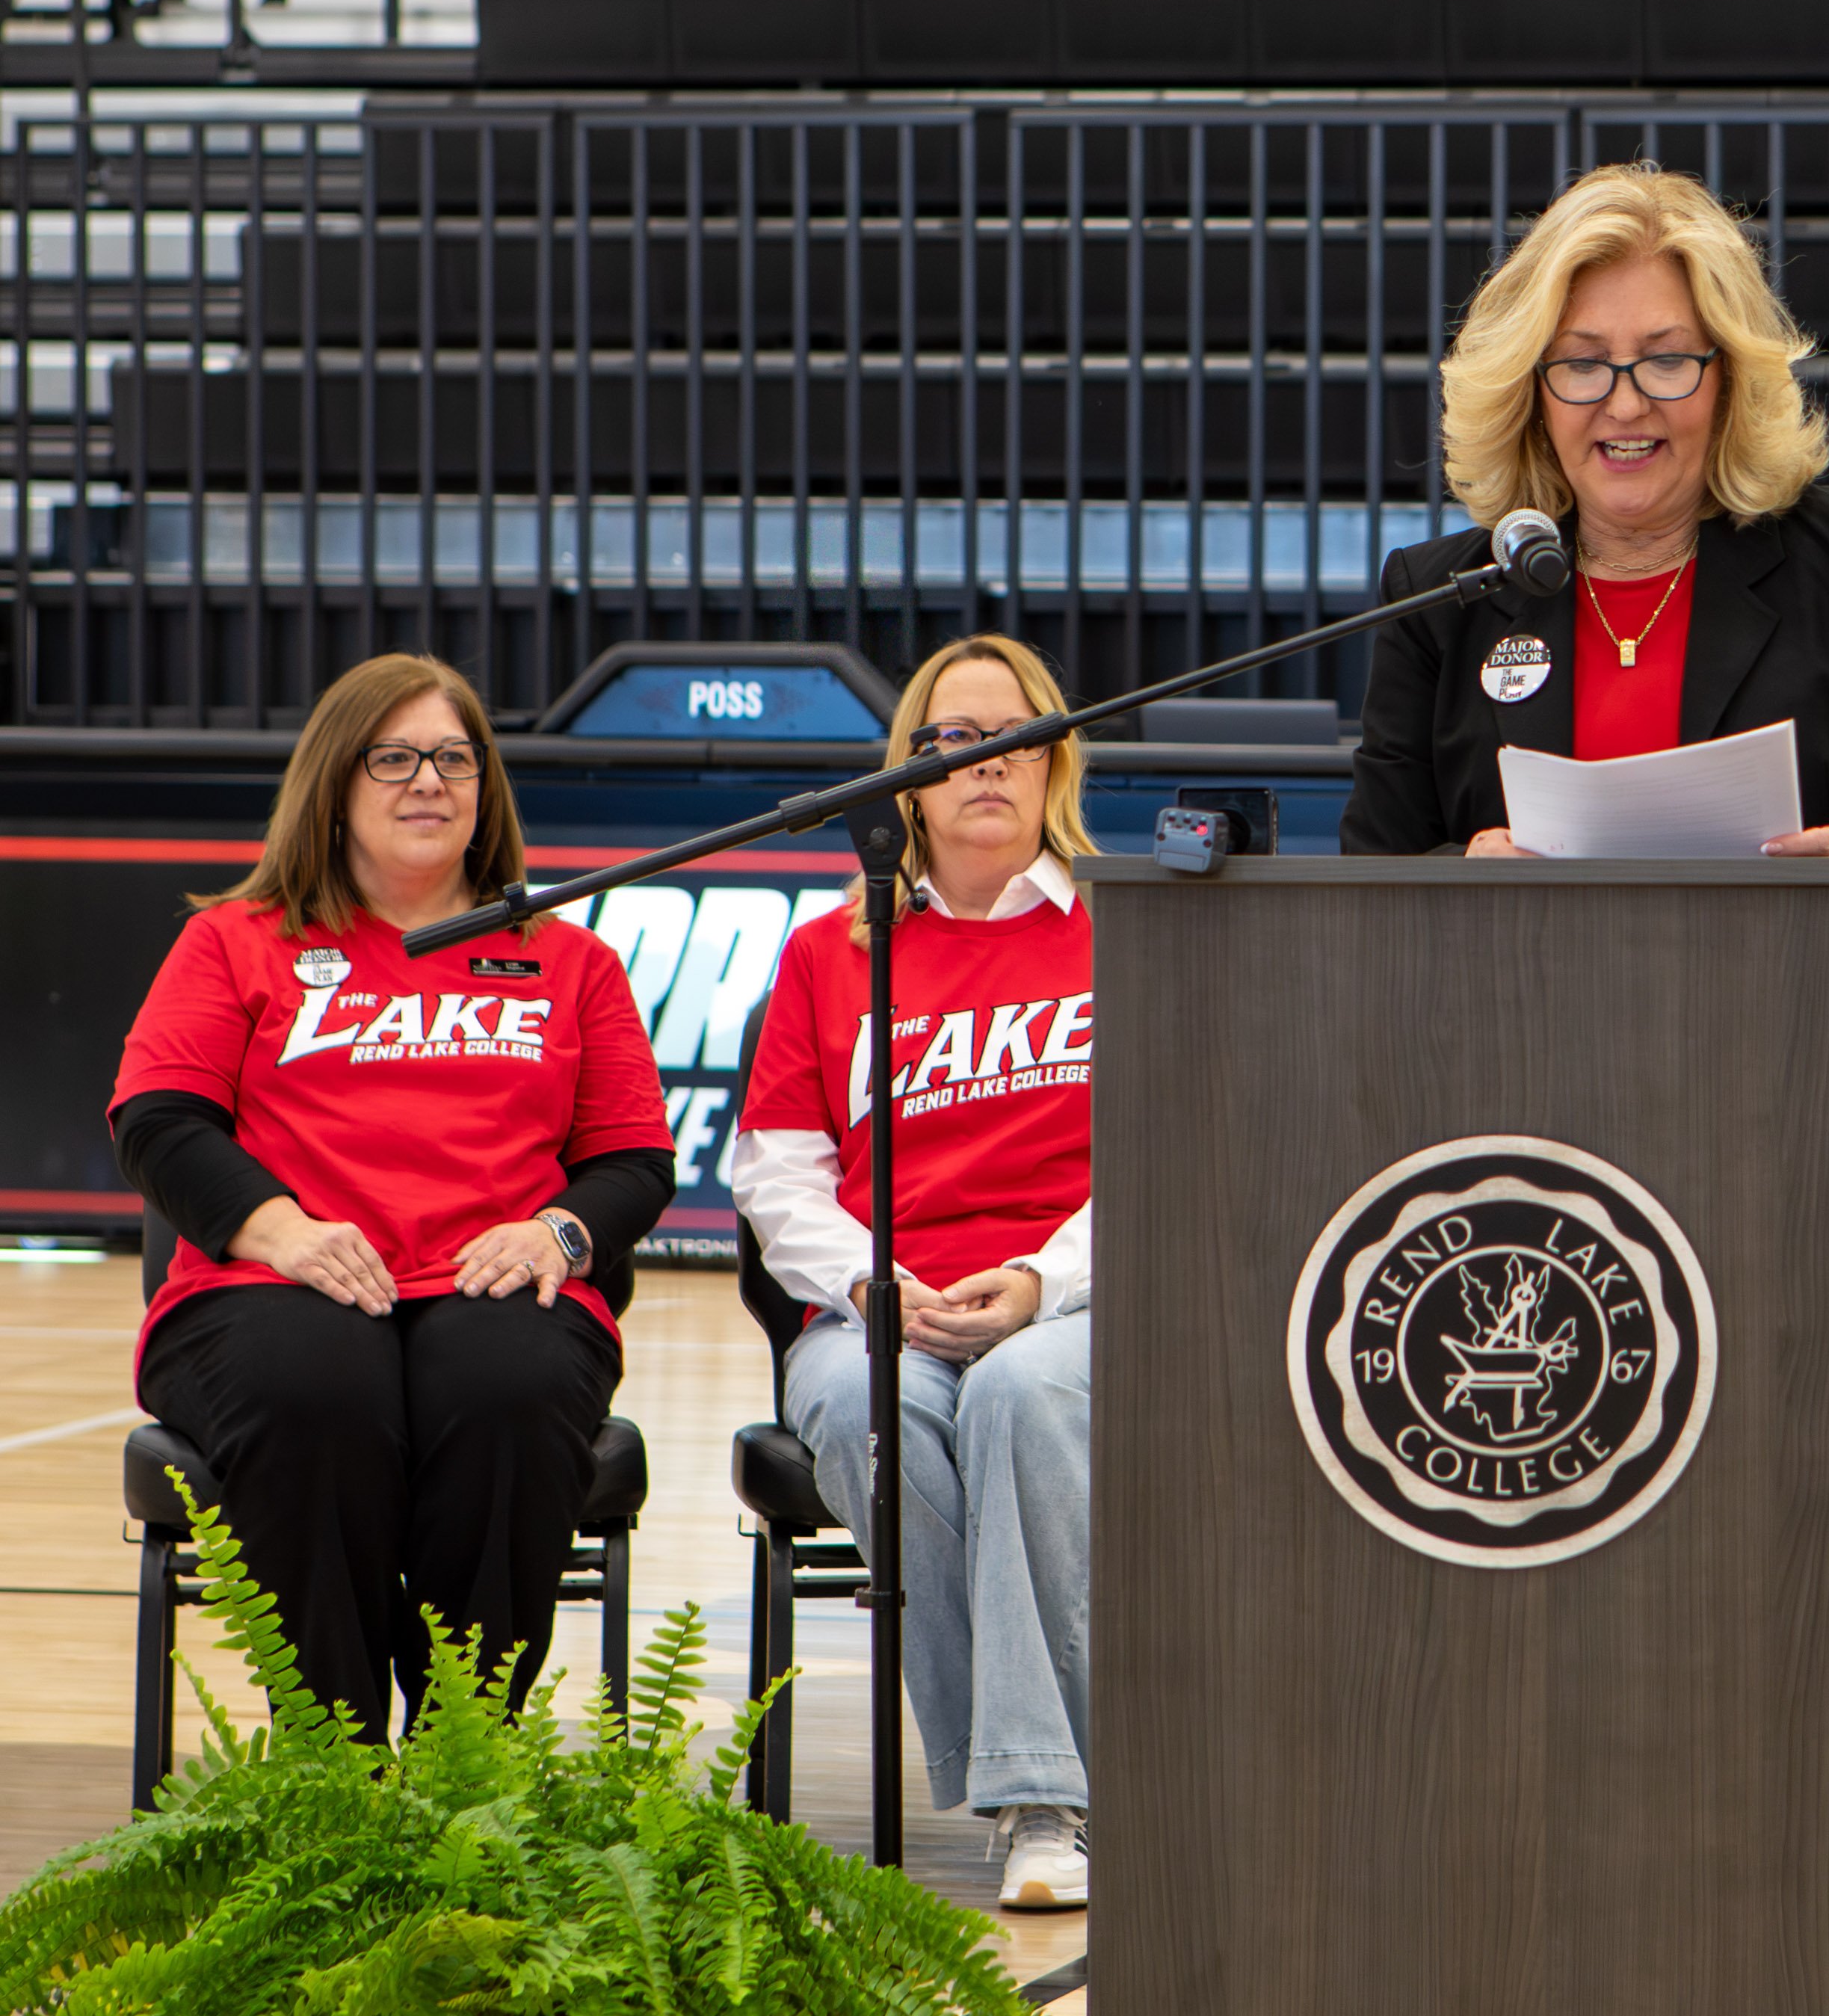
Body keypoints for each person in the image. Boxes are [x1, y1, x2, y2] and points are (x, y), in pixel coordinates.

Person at [1341, 161, 1829, 1257]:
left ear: (1729, 377)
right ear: (1529, 386)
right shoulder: (1449, 592)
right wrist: (1458, 889)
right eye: (1582, 366)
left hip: (1800, 1137)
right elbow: (1370, 878)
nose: (1624, 403)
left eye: (1666, 360)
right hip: (1513, 1153)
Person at [110, 653, 674, 1741]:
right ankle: (339, 1764)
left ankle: (471, 1760)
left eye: (455, 757)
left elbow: (634, 1163)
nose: (430, 780)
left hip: (491, 1278)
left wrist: (560, 1230)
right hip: (270, 1284)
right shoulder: (234, 940)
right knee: (315, 1381)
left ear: (485, 789)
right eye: (396, 757)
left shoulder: (570, 961)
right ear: (335, 781)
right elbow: (158, 1120)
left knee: (507, 1383)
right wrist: (282, 1231)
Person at [734, 632, 1098, 1913]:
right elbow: (778, 1175)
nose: (979, 763)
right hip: (886, 1302)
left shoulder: (1125, 925)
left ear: (1053, 759)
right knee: (858, 1404)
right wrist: (882, 1285)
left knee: (1015, 1394)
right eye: (950, 740)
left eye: (1009, 736)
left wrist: (1041, 1285)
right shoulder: (836, 952)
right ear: (908, 779)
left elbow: (1178, 1153)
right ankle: (1042, 1784)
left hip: (1077, 1303)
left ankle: (1037, 1797)